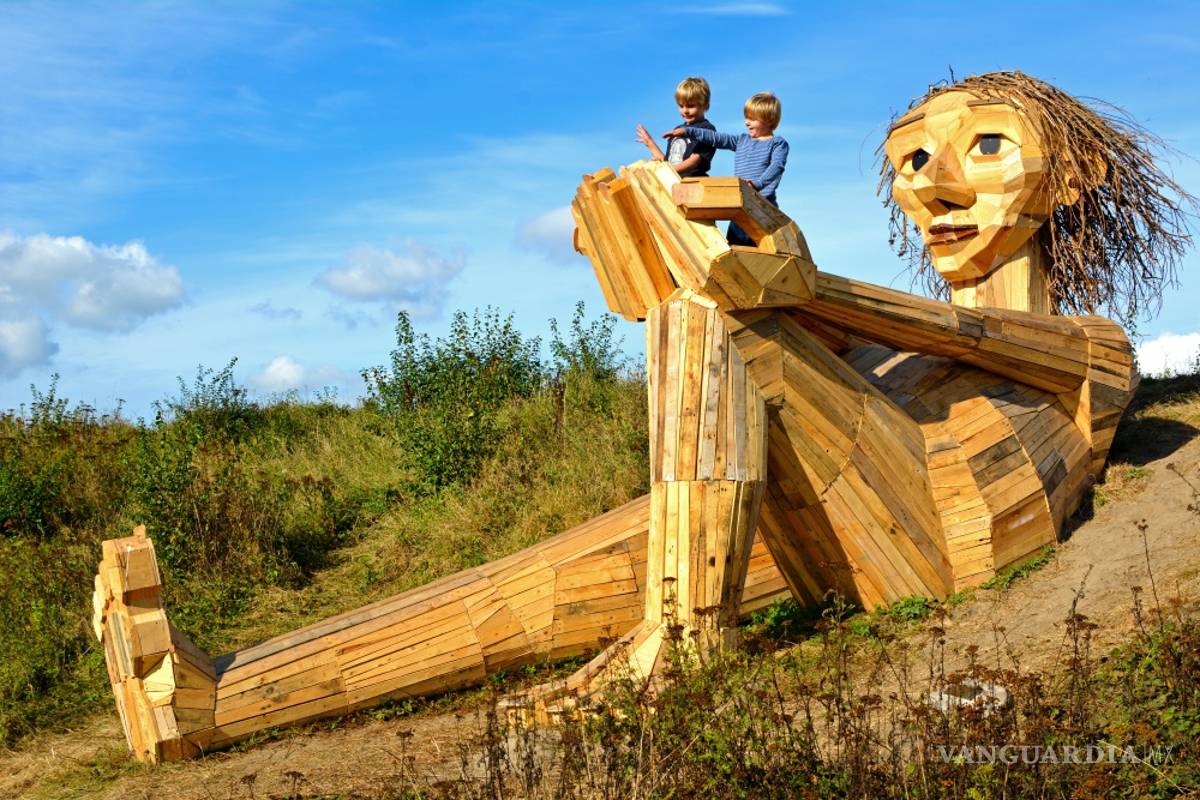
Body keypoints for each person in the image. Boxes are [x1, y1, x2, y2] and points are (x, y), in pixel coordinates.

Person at [664, 91, 789, 245]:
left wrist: (758, 184)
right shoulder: (742, 140)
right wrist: (688, 131)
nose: (747, 122)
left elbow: (777, 167)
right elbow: (717, 138)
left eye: (752, 119)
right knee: (735, 247)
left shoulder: (777, 144)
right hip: (742, 207)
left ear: (769, 120)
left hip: (763, 208)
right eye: (746, 118)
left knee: (764, 248)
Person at [635, 76, 717, 178]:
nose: (685, 111)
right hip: (674, 181)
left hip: (693, 182)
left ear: (704, 105)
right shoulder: (677, 130)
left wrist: (666, 171)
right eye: (681, 106)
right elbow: (668, 162)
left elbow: (694, 162)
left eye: (691, 106)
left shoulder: (707, 130)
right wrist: (649, 143)